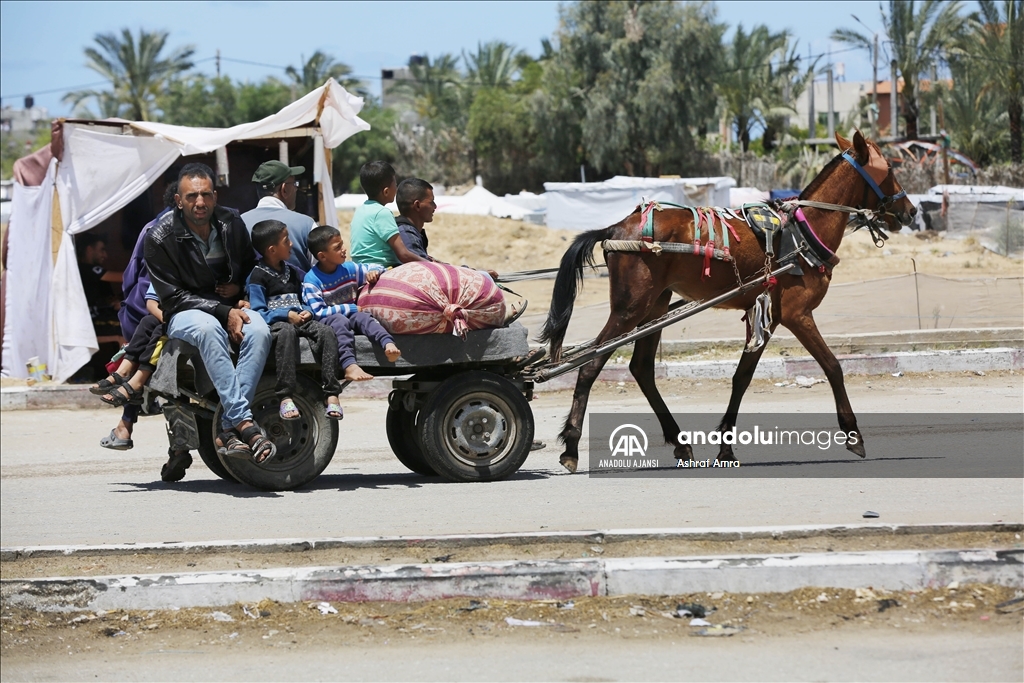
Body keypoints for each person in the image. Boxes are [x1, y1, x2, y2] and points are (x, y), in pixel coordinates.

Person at [146, 163, 274, 482]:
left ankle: (228, 426)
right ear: (179, 200)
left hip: (229, 305)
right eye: (192, 196)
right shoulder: (158, 236)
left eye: (205, 195)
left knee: (259, 329)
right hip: (184, 312)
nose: (199, 202)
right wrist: (223, 311)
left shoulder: (232, 221)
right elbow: (172, 298)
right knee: (208, 329)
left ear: (215, 197)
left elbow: (249, 265)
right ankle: (244, 423)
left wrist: (245, 293)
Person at [98, 182, 177, 451]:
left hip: (142, 308)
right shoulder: (185, 227)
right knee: (148, 365)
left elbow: (131, 276)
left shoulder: (151, 226)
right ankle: (173, 448)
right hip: (157, 309)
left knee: (139, 363)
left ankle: (125, 425)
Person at [247, 220, 344, 420]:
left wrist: (308, 310)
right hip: (279, 325)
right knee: (286, 331)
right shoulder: (257, 277)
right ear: (272, 250)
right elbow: (258, 312)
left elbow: (305, 298)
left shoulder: (293, 271)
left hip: (301, 319)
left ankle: (332, 394)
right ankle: (285, 396)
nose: (291, 244)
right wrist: (285, 315)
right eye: (286, 240)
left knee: (326, 332)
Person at [302, 225, 401, 381]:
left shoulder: (349, 269)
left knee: (363, 318)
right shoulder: (311, 280)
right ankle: (349, 365)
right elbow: (318, 312)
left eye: (342, 244)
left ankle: (387, 343)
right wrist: (350, 307)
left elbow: (378, 268)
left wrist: (374, 273)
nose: (344, 249)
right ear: (322, 256)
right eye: (338, 247)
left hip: (352, 315)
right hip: (329, 321)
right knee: (340, 320)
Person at [395, 178, 500, 281]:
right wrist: (474, 275)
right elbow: (427, 270)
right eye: (431, 202)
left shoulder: (410, 232)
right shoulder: (406, 234)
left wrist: (470, 272)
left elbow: (433, 264)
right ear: (417, 205)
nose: (435, 206)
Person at [349, 161, 427, 268]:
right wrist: (430, 265)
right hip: (381, 268)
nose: (396, 187)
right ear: (386, 191)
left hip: (360, 268)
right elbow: (403, 255)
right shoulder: (382, 213)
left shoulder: (360, 211)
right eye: (395, 184)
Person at [241, 161, 316, 272]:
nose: (296, 189)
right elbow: (323, 272)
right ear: (284, 189)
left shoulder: (239, 223)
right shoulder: (307, 224)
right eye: (294, 184)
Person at [76, 233, 121, 337]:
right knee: (128, 326)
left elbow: (106, 298)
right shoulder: (85, 269)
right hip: (89, 321)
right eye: (102, 250)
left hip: (99, 315)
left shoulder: (96, 274)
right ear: (90, 249)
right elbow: (122, 277)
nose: (105, 255)